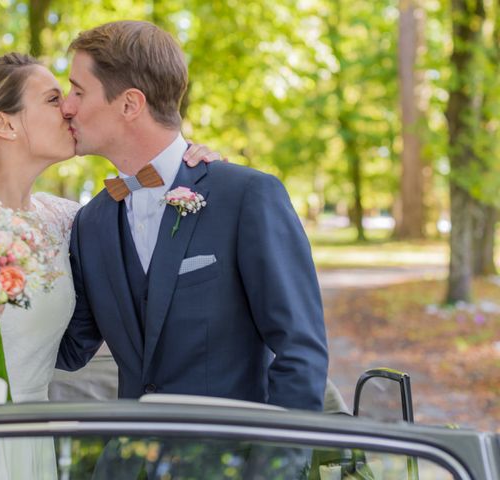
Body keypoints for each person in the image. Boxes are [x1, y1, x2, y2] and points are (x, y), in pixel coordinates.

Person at [0, 52, 219, 479]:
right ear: (5, 124)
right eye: (52, 99)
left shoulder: (70, 221)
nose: (70, 107)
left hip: (27, 442)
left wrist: (189, 165)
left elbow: (150, 224)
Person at [57, 21, 328, 411]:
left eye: (78, 91)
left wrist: (274, 464)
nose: (67, 106)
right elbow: (70, 350)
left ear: (130, 104)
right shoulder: (90, 223)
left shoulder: (245, 196)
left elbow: (300, 351)